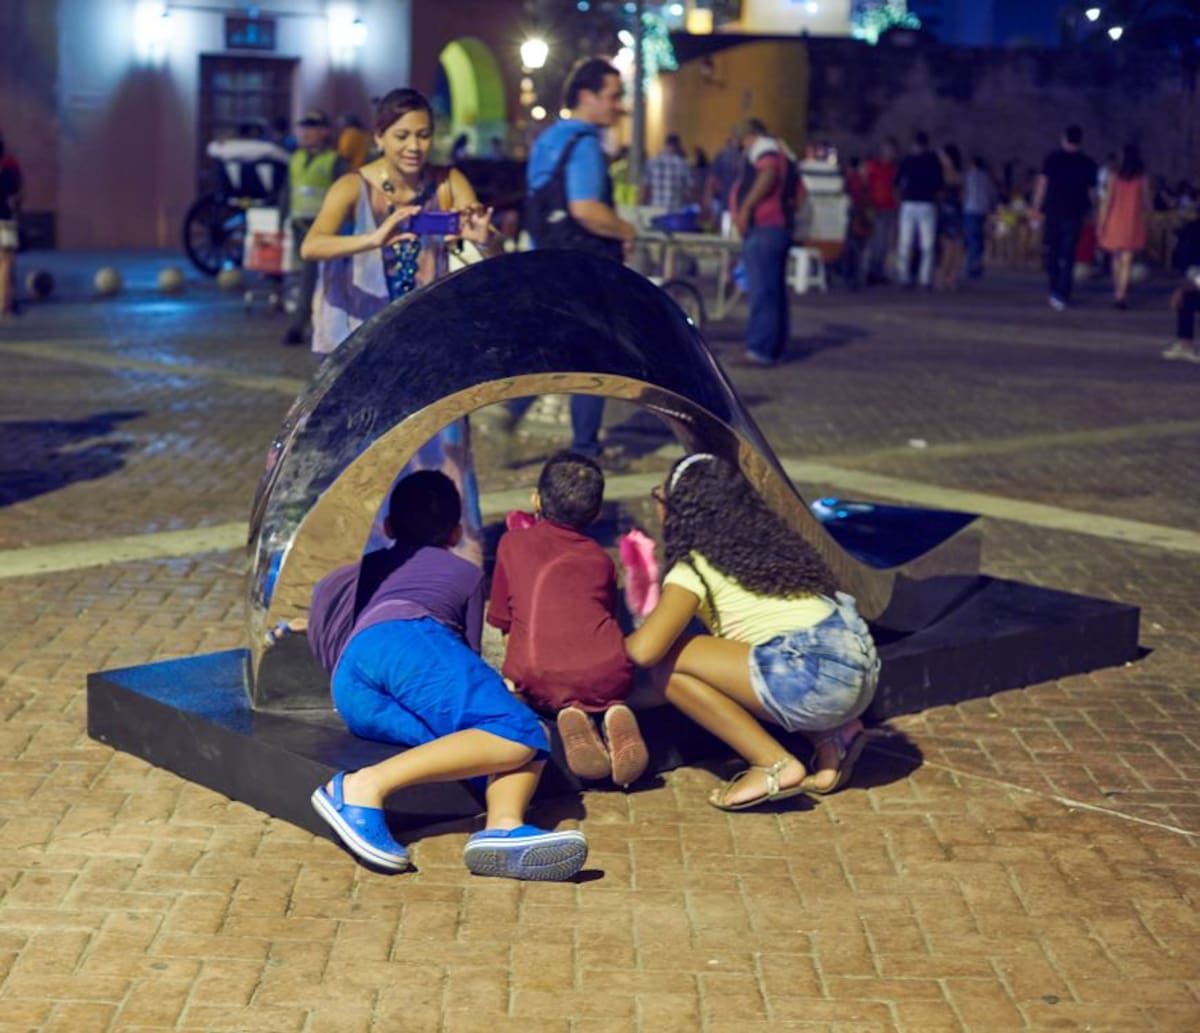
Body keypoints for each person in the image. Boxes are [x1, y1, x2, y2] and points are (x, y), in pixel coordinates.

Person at [307, 470, 588, 880]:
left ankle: (502, 829)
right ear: (456, 532)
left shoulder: (357, 571)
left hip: (351, 688)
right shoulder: (464, 573)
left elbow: (322, 620)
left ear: (387, 527)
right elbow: (463, 654)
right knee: (516, 727)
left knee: (507, 743)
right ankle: (360, 789)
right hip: (407, 641)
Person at [300, 88, 498, 562]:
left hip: (432, 340)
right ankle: (379, 553)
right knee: (376, 450)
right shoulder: (354, 186)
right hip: (368, 342)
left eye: (424, 134)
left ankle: (456, 552)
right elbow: (312, 245)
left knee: (449, 444)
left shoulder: (449, 183)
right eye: (402, 135)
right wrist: (373, 239)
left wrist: (484, 239)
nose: (415, 146)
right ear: (380, 137)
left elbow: (486, 257)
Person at [624, 454, 881, 810]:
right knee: (722, 662)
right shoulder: (773, 544)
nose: (657, 505)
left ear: (682, 511)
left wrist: (605, 645)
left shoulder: (694, 567)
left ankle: (772, 764)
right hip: (859, 667)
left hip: (812, 676)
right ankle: (834, 738)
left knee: (669, 664)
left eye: (660, 496)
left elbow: (644, 652)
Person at [487, 452, 648, 787]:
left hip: (540, 673)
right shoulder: (601, 560)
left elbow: (502, 618)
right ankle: (612, 710)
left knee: (533, 661)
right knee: (595, 666)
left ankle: (569, 712)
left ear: (536, 499)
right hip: (610, 670)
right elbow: (607, 616)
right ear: (597, 513)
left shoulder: (511, 543)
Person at [512, 57, 636, 459]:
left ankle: (511, 409)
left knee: (551, 344)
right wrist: (625, 230)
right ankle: (585, 445)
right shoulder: (585, 144)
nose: (619, 105)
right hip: (583, 264)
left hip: (545, 257)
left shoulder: (548, 140)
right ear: (587, 96)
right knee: (593, 355)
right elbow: (585, 208)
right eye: (613, 96)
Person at [731, 117, 794, 366]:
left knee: (762, 291)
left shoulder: (764, 149)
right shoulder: (782, 151)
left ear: (749, 136)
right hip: (776, 229)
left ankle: (760, 349)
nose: (742, 147)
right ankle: (773, 346)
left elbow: (767, 173)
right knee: (774, 291)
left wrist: (746, 208)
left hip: (765, 228)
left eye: (741, 141)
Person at [282, 110, 348, 345]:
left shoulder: (335, 161)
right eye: (303, 127)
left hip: (323, 230)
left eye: (312, 127)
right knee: (302, 277)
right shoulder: (295, 158)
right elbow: (288, 190)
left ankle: (300, 327)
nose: (306, 132)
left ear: (325, 132)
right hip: (298, 225)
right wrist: (282, 220)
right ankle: (316, 324)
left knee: (314, 278)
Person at [1030, 125, 1097, 310]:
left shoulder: (1052, 158)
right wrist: (1094, 211)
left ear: (1064, 138)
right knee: (1069, 255)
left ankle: (1054, 288)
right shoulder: (1088, 163)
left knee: (1053, 251)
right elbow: (1092, 192)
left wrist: (1036, 206)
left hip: (1053, 211)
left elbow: (1042, 183)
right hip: (1075, 213)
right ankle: (1063, 292)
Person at [1097, 144, 1150, 310]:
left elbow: (1107, 202)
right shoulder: (1142, 178)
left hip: (1115, 220)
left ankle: (1117, 291)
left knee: (1116, 258)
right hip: (1133, 221)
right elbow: (1147, 203)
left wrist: (1101, 222)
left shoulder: (1114, 177)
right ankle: (1122, 294)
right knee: (1127, 260)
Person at [894, 131, 943, 290]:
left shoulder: (910, 160)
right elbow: (939, 183)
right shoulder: (930, 160)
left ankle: (907, 277)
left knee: (908, 243)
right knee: (923, 244)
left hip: (913, 203)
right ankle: (922, 278)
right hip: (924, 203)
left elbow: (897, 181)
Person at [860, 137, 899, 284]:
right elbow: (865, 183)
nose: (890, 154)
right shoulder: (873, 166)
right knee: (877, 240)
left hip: (890, 207)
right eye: (888, 150)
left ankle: (880, 270)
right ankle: (872, 270)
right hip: (876, 207)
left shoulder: (894, 169)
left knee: (885, 242)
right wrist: (867, 204)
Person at [934, 143, 965, 291]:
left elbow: (961, 189)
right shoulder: (939, 173)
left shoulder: (955, 174)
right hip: (947, 213)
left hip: (955, 212)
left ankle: (951, 278)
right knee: (948, 247)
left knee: (957, 247)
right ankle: (942, 278)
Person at [0, 131, 22, 320]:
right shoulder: (10, 165)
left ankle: (8, 302)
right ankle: (5, 305)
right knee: (7, 262)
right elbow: (17, 194)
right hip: (5, 219)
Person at [641, 132, 693, 211]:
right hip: (675, 210)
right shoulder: (683, 164)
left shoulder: (652, 162)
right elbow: (689, 192)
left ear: (665, 144)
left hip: (655, 208)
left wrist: (642, 204)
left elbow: (645, 188)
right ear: (678, 146)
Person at [962, 156, 994, 279]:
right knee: (979, 238)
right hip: (982, 210)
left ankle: (972, 265)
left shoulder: (969, 176)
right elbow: (991, 193)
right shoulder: (986, 177)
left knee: (972, 238)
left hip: (970, 209)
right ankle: (977, 264)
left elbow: (965, 192)